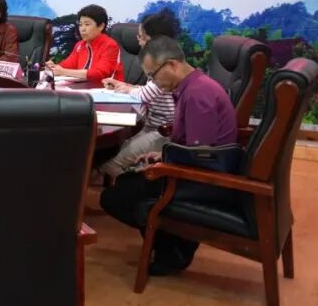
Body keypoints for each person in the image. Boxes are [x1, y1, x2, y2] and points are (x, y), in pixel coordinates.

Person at [99, 36, 237, 275]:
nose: (153, 82)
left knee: (115, 197)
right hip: (200, 168)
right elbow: (191, 146)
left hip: (206, 182)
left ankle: (174, 249)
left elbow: (200, 155)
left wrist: (166, 164)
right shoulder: (193, 86)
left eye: (153, 75)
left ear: (172, 64)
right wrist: (162, 156)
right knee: (126, 182)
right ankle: (171, 243)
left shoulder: (197, 94)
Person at [99, 8, 182, 179]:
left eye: (141, 37)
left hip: (163, 132)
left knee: (111, 164)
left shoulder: (166, 66)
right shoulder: (165, 59)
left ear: (153, 41)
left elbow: (144, 95)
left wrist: (128, 89)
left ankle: (130, 187)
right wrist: (126, 86)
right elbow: (148, 90)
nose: (138, 40)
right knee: (119, 148)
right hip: (152, 127)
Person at [46, 4, 123, 86]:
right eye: (80, 25)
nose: (82, 29)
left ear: (101, 26)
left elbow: (100, 74)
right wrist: (53, 67)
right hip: (83, 88)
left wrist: (63, 71)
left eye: (87, 24)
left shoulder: (110, 45)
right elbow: (66, 65)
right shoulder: (80, 45)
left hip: (107, 90)